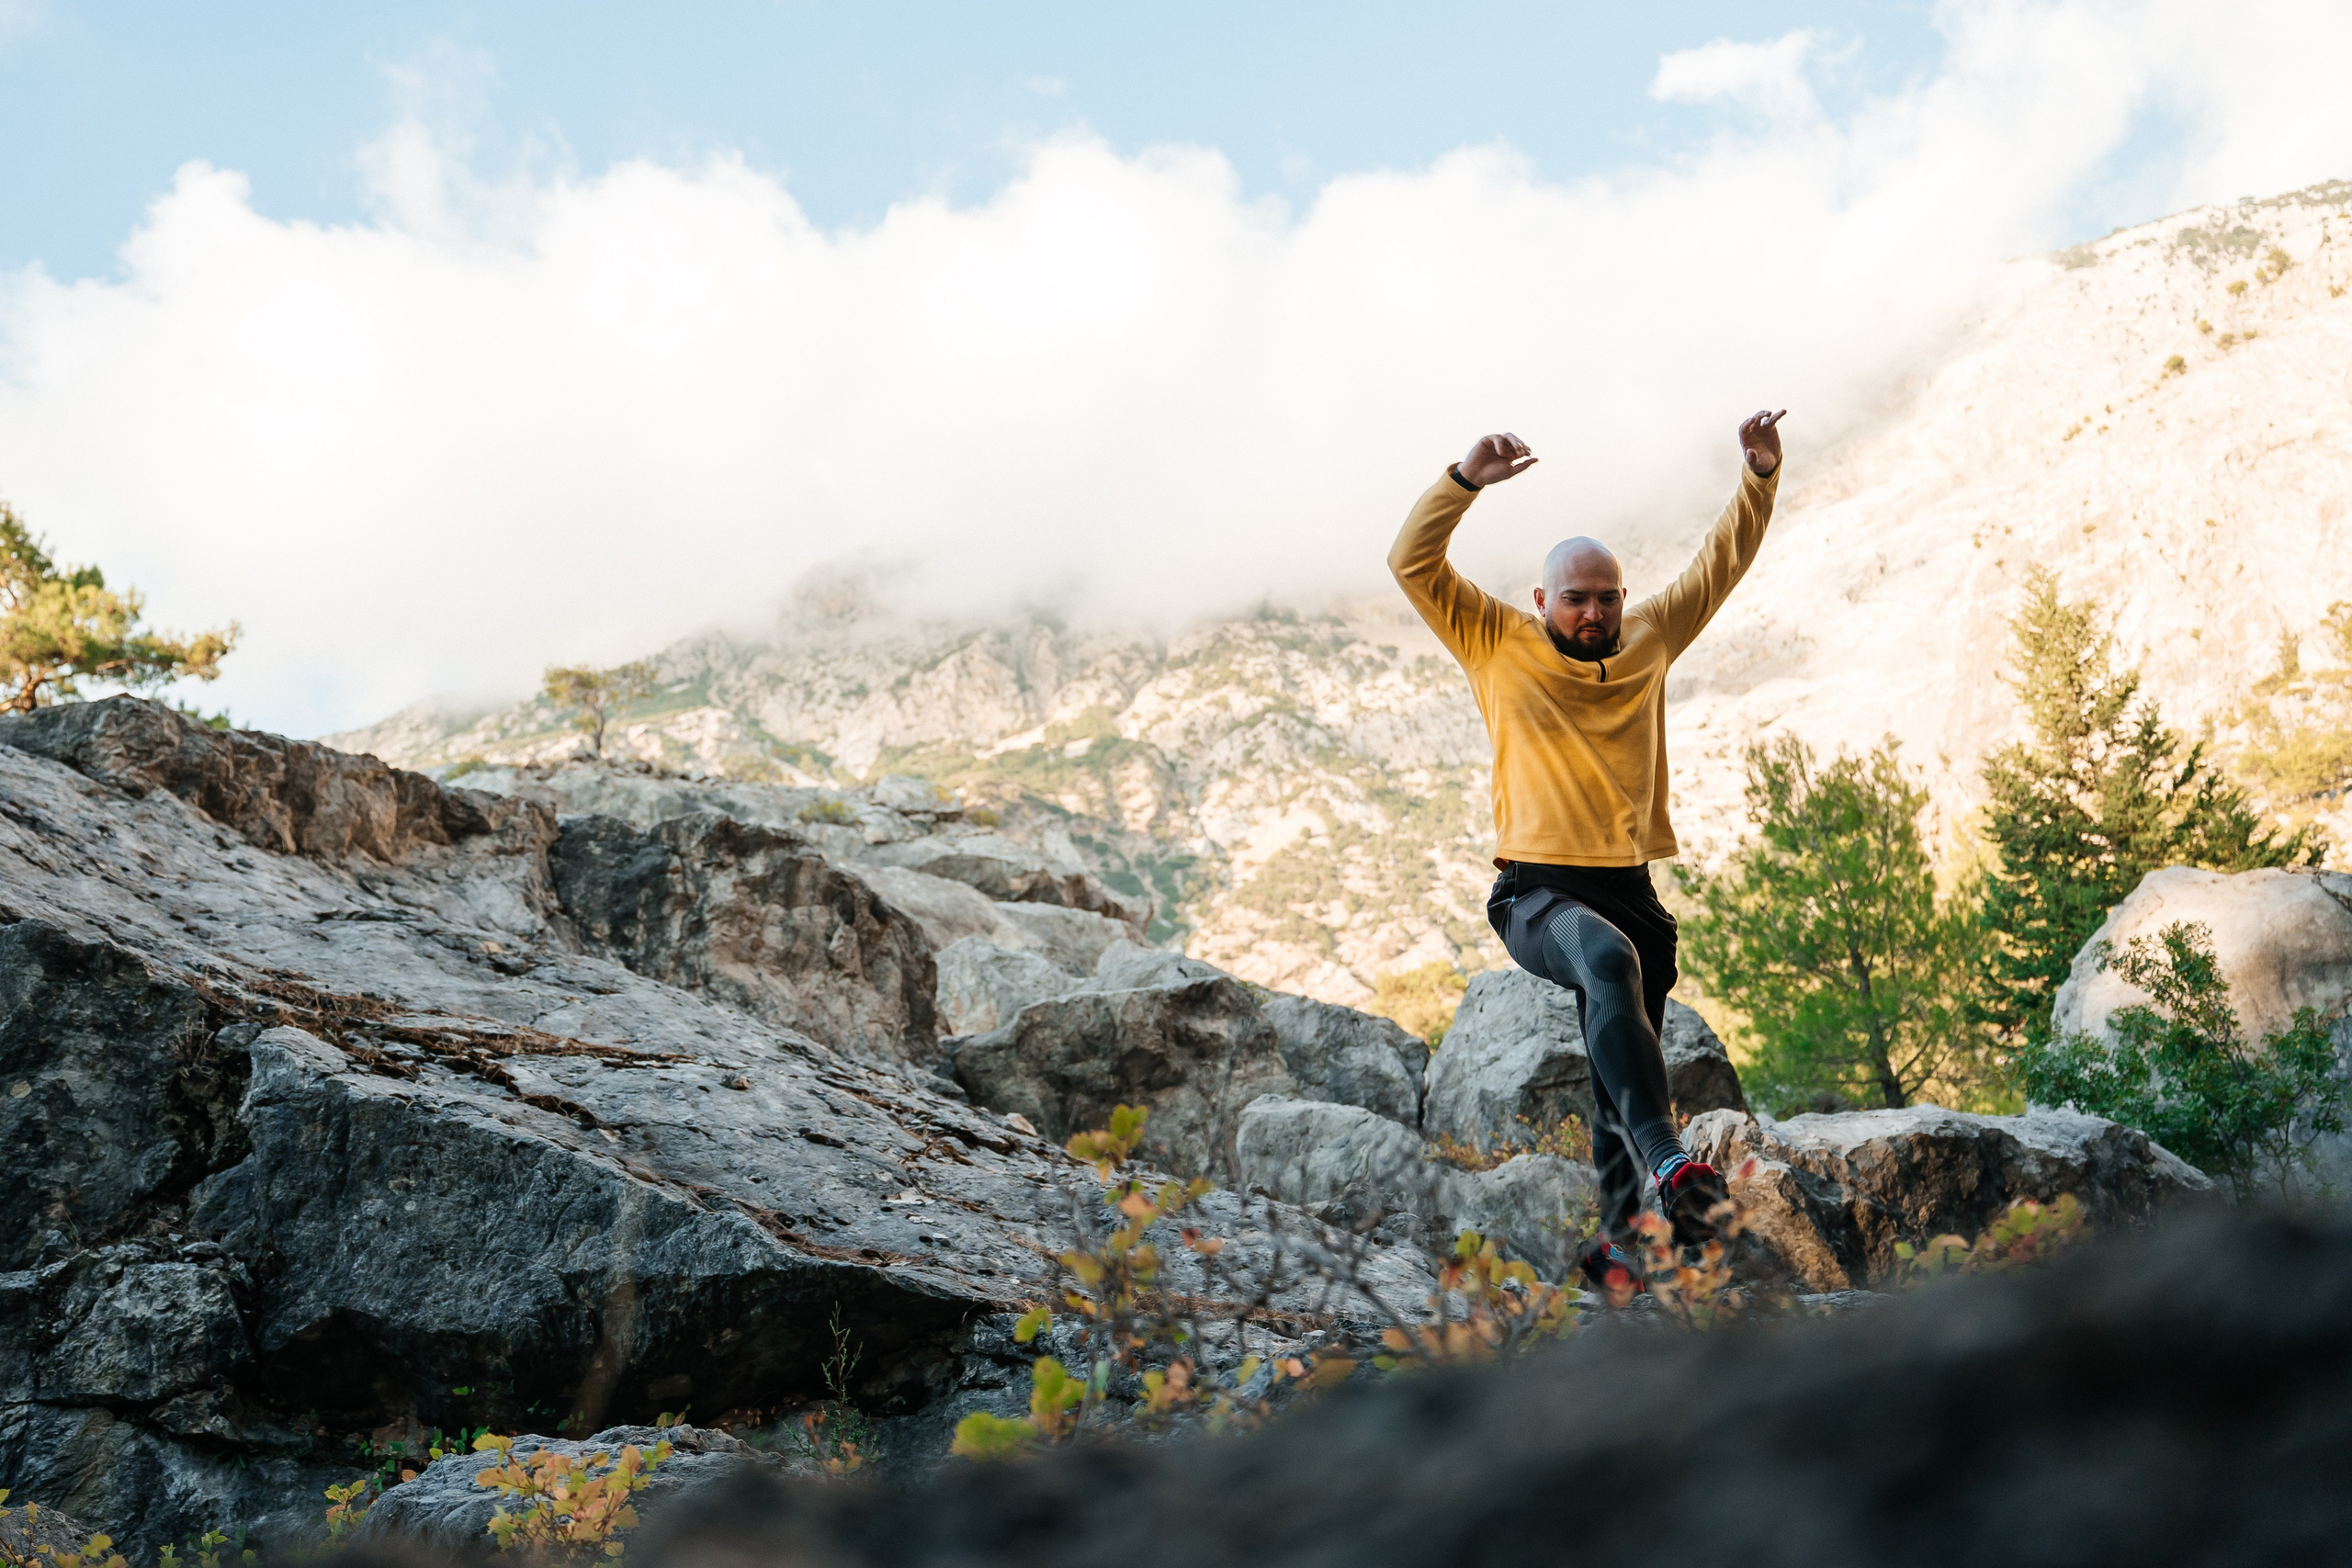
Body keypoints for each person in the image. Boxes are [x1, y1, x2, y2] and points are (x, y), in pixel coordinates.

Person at [1387, 410, 1785, 1291]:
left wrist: (1758, 477)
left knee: (1619, 1072)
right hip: (1538, 893)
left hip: (1633, 891)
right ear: (1543, 602)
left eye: (1608, 595)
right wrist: (1462, 482)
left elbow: (1720, 563)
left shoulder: (1649, 638)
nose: (1596, 611)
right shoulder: (1495, 639)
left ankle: (1619, 1249)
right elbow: (1410, 563)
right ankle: (1676, 1165)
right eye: (1577, 597)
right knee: (1604, 961)